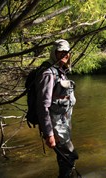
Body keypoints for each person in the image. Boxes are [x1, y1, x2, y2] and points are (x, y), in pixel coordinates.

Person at [36, 39, 79, 177]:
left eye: (66, 52)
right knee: (69, 157)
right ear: (54, 53)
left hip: (63, 124)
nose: (64, 55)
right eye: (61, 52)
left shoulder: (60, 70)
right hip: (56, 126)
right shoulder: (48, 74)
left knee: (66, 158)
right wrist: (49, 134)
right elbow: (43, 105)